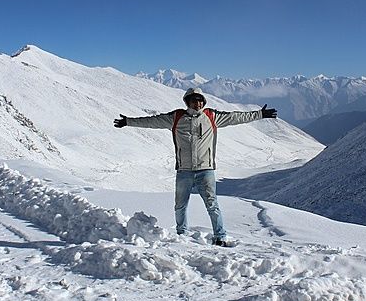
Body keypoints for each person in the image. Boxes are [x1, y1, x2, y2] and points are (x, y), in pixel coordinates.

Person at [113, 87, 277, 246]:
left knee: (212, 205)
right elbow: (152, 121)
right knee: (180, 205)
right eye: (193, 100)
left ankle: (220, 236)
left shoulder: (211, 116)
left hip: (206, 169)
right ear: (187, 102)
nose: (197, 103)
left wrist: (261, 114)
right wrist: (128, 122)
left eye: (200, 100)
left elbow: (236, 117)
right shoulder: (176, 117)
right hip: (184, 170)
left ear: (203, 102)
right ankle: (182, 234)